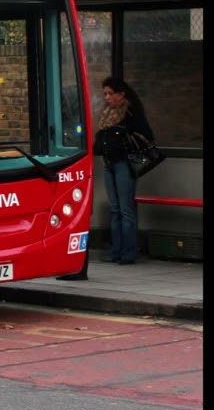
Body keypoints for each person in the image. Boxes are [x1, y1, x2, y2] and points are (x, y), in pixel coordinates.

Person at [58, 75, 155, 281]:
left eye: (111, 94)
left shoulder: (130, 113)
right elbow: (101, 140)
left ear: (121, 94)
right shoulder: (107, 114)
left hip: (124, 165)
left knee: (125, 209)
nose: (107, 98)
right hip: (110, 164)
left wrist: (125, 146)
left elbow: (145, 136)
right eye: (105, 94)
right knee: (114, 208)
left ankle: (128, 252)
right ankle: (115, 250)